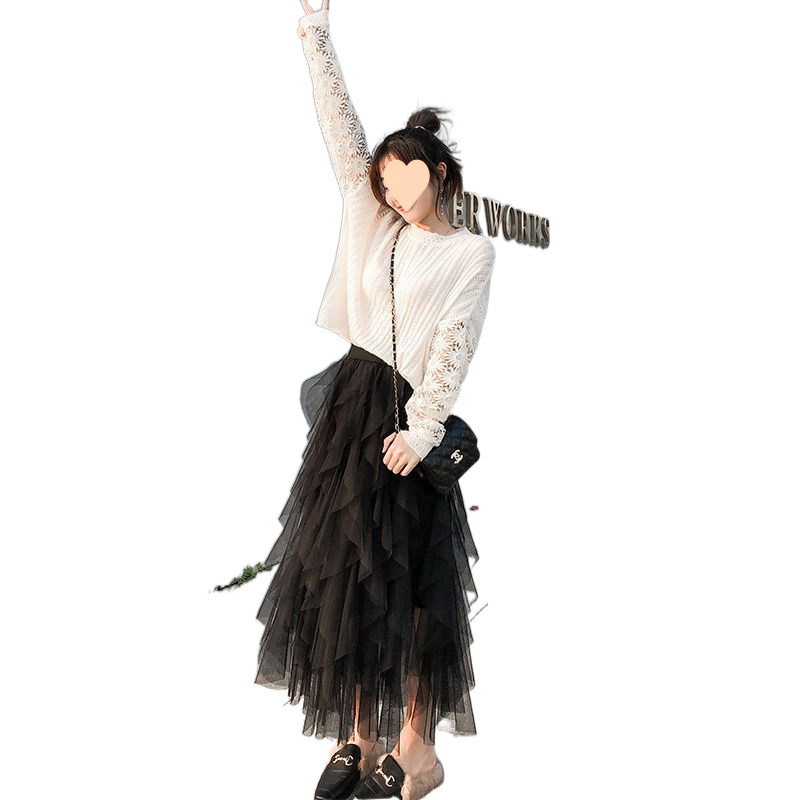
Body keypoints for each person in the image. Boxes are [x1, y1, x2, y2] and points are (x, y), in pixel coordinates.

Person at [254, 2, 496, 797]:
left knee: (416, 580)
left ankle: (418, 752)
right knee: (344, 574)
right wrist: (314, 34)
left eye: (403, 175)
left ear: (440, 175)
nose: (389, 189)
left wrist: (422, 431)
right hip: (349, 412)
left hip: (406, 419)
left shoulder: (470, 253)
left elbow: (454, 345)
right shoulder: (374, 222)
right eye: (383, 179)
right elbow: (340, 129)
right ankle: (359, 738)